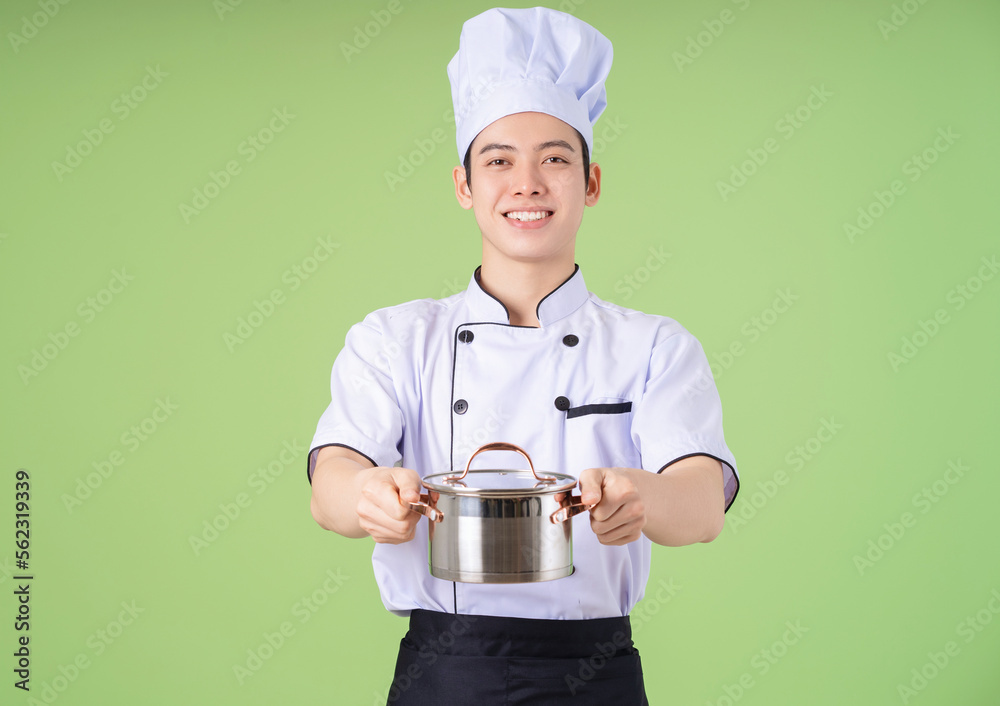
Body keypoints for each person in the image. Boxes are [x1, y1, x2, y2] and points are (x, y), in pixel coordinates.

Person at [307, 7, 740, 704]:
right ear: (463, 185)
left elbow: (701, 502)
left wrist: (641, 495)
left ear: (591, 182)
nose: (527, 183)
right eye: (499, 160)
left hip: (593, 672)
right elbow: (331, 478)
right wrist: (366, 496)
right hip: (444, 669)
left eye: (555, 159)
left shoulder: (654, 345)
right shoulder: (395, 338)